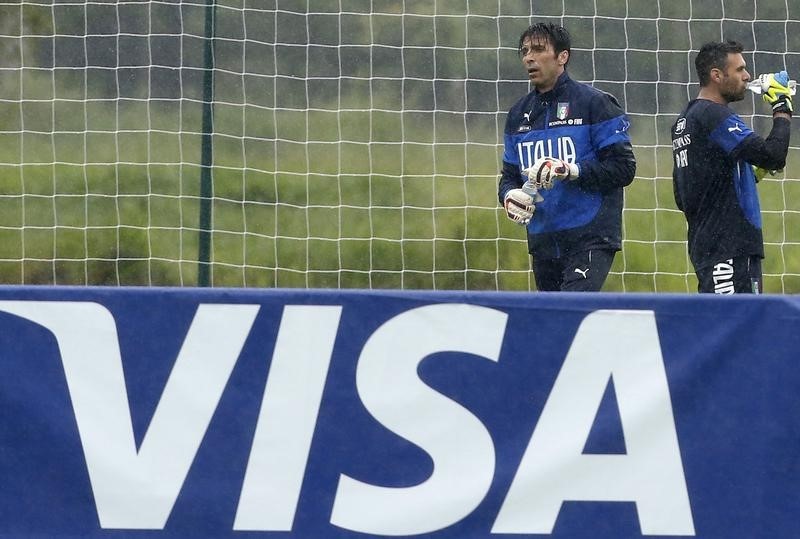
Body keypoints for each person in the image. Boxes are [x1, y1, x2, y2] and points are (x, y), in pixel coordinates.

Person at [498, 23, 636, 292]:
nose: (529, 57)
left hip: (590, 237)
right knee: (553, 326)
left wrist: (570, 170)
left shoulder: (595, 103)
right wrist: (509, 196)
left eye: (538, 50)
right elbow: (509, 178)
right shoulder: (517, 115)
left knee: (571, 312)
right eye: (525, 51)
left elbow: (623, 169)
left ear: (563, 56)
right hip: (543, 239)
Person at [671, 41, 792, 294]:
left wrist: (748, 173)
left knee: (737, 328)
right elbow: (774, 156)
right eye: (740, 70)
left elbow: (687, 192)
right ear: (716, 75)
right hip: (728, 248)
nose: (747, 76)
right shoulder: (712, 115)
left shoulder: (685, 120)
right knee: (734, 329)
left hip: (711, 245)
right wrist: (782, 107)